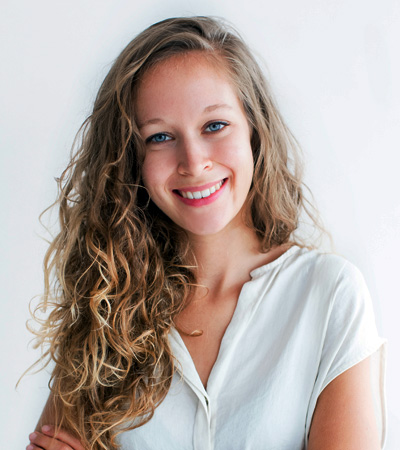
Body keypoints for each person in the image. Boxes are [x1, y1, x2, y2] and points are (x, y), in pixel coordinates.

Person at [26, 16, 386, 450]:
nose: (194, 162)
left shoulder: (329, 295)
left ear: (255, 130)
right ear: (130, 159)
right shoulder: (106, 306)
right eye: (160, 137)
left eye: (215, 126)